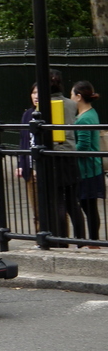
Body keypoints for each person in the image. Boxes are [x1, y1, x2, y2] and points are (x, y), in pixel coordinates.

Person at [50, 69, 85, 241]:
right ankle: (80, 239)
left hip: (54, 156)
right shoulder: (71, 104)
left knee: (58, 201)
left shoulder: (44, 105)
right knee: (72, 201)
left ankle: (61, 239)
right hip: (70, 154)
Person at [71, 80, 104, 246]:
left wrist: (67, 150)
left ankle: (93, 240)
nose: (70, 98)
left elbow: (83, 145)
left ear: (78, 97)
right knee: (90, 206)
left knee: (88, 206)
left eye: (72, 94)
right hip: (92, 167)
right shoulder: (91, 114)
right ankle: (93, 240)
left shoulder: (84, 119)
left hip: (86, 170)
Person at [16, 83, 39, 232]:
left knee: (47, 206)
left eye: (39, 93)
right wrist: (20, 163)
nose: (36, 96)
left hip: (42, 168)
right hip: (28, 167)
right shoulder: (27, 114)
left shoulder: (48, 112)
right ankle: (39, 236)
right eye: (34, 93)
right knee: (35, 206)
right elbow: (23, 139)